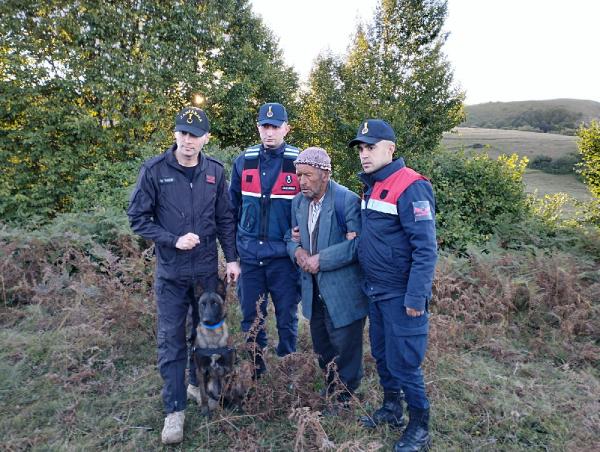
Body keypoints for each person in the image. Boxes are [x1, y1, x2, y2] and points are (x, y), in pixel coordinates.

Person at [127, 106, 240, 445]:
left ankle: (195, 385)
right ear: (175, 134)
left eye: (195, 135)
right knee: (172, 340)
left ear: (206, 138)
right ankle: (174, 411)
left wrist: (232, 260)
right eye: (183, 133)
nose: (188, 141)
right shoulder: (154, 171)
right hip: (172, 275)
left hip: (206, 275)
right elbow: (137, 218)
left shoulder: (215, 172)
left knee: (204, 336)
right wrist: (172, 239)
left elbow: (225, 219)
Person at [348, 119, 437, 452]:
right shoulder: (371, 185)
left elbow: (425, 247)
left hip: (402, 296)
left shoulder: (411, 185)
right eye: (360, 148)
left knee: (405, 362)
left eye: (370, 147)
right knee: (383, 355)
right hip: (375, 290)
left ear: (390, 148)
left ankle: (419, 427)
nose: (364, 154)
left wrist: (416, 296)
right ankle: (391, 408)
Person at [286, 147, 368, 405]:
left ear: (325, 174)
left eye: (308, 175)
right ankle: (332, 387)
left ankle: (345, 397)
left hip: (342, 293)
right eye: (299, 175)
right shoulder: (298, 202)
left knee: (346, 347)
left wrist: (321, 260)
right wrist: (296, 251)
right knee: (322, 346)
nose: (302, 181)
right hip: (313, 292)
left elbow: (358, 245)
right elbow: (290, 237)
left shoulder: (347, 201)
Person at [229, 102, 301, 375]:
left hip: (284, 259)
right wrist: (232, 257)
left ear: (286, 128)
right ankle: (255, 370)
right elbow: (230, 210)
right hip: (249, 257)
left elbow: (312, 207)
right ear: (258, 128)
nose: (269, 132)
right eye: (264, 126)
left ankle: (288, 371)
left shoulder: (298, 162)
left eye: (275, 127)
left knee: (287, 318)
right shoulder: (244, 160)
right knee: (251, 318)